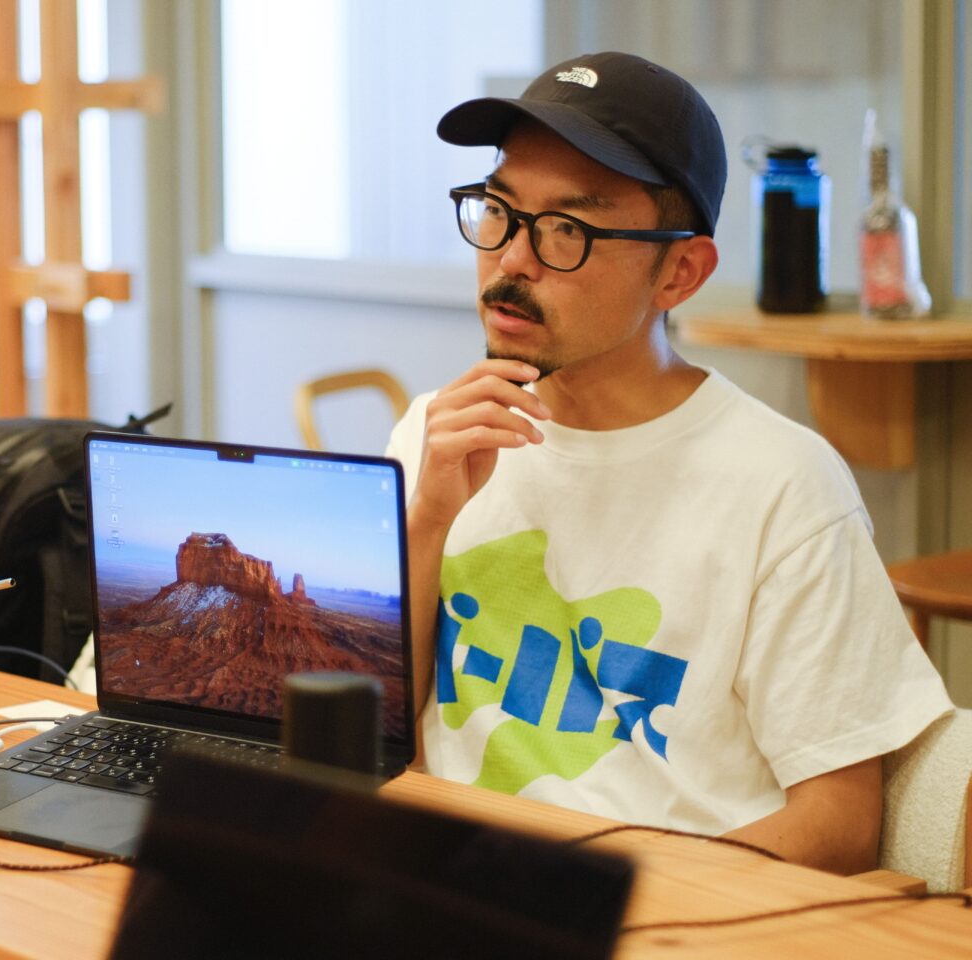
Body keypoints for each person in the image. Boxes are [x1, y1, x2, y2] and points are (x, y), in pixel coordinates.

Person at [386, 51, 952, 874]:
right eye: (499, 211)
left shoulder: (783, 487)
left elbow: (839, 825)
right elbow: (359, 743)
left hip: (659, 912)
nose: (511, 260)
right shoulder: (435, 436)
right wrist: (426, 523)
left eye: (567, 230)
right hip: (440, 891)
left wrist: (611, 901)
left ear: (680, 273)